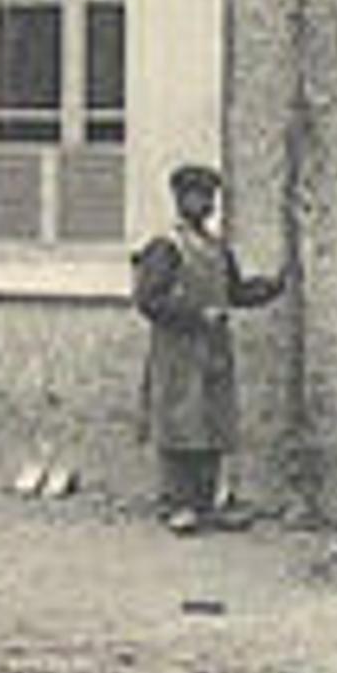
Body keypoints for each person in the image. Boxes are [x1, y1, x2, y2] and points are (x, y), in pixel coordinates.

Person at [132, 163, 284, 535]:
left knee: (213, 422)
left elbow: (235, 292)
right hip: (178, 350)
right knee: (180, 423)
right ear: (180, 200)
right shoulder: (165, 246)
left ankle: (208, 503)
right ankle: (176, 505)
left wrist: (274, 287)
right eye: (197, 196)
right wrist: (197, 315)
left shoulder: (217, 248)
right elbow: (148, 300)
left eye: (210, 198)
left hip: (213, 349)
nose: (205, 204)